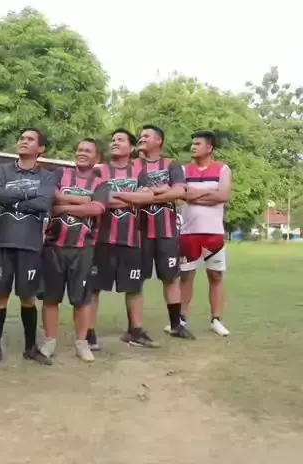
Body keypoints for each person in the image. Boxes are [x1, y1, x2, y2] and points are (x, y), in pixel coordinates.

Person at [0, 128, 58, 367]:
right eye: (22, 138)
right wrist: (28, 195)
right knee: (0, 297)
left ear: (41, 148)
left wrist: (12, 198)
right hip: (3, 241)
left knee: (28, 298)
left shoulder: (48, 176)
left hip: (30, 245)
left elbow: (43, 203)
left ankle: (30, 348)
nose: (24, 141)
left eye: (30, 139)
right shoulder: (2, 170)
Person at [39, 139, 108, 362]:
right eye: (79, 149)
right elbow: (51, 199)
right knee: (50, 297)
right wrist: (81, 201)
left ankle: (82, 343)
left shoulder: (101, 183)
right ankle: (49, 341)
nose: (82, 153)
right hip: (53, 245)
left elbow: (96, 209)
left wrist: (64, 207)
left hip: (83, 248)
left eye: (88, 150)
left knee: (82, 299)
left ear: (97, 157)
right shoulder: (60, 174)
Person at [88, 129, 157, 348]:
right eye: (113, 140)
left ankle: (135, 331)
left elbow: (148, 197)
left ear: (131, 147)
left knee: (134, 287)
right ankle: (88, 333)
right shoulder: (99, 170)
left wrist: (115, 196)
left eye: (120, 140)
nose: (114, 143)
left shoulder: (140, 171)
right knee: (94, 287)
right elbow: (97, 198)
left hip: (132, 239)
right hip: (101, 238)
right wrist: (131, 199)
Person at [137, 125, 194, 340]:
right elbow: (130, 193)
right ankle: (135, 328)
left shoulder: (171, 164)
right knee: (136, 281)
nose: (141, 139)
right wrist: (163, 190)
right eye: (141, 136)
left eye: (146, 136)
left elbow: (179, 191)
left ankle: (176, 325)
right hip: (140, 231)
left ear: (158, 141)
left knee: (170, 278)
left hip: (167, 231)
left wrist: (150, 193)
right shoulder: (134, 166)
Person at [179, 131, 231, 336]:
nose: (193, 147)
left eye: (198, 144)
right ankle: (180, 319)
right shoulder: (184, 170)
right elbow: (182, 195)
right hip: (188, 232)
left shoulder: (222, 169)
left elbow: (223, 195)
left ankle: (216, 319)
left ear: (209, 148)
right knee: (186, 275)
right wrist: (209, 193)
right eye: (192, 143)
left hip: (213, 232)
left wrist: (195, 195)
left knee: (215, 275)